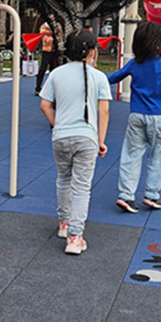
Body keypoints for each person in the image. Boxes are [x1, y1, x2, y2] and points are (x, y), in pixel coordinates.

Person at [39, 29, 111, 255]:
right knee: (81, 187)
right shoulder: (99, 77)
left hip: (60, 137)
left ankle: (64, 224)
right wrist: (101, 140)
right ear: (92, 51)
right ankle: (75, 236)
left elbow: (45, 105)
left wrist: (56, 124)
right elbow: (104, 111)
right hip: (86, 138)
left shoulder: (56, 74)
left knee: (63, 178)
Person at [106, 21, 161, 213]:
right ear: (157, 44)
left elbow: (114, 78)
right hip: (156, 117)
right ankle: (151, 194)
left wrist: (96, 78)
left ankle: (126, 195)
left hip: (136, 116)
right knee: (158, 155)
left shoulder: (133, 64)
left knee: (131, 155)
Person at [35, 18, 62, 95]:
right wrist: (53, 38)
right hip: (47, 50)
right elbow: (45, 38)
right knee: (43, 68)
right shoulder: (44, 26)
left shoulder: (57, 25)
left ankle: (52, 88)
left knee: (53, 69)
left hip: (55, 50)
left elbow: (60, 34)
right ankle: (38, 87)